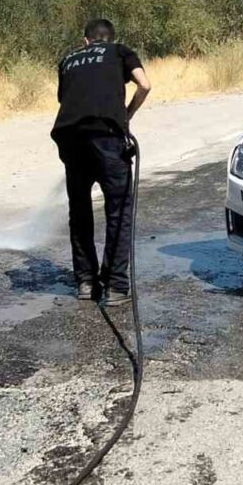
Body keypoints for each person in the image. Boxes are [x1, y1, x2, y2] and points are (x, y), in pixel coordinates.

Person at [51, 18, 152, 305]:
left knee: (80, 211)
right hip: (107, 137)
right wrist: (126, 117)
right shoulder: (120, 51)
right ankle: (116, 287)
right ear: (110, 38)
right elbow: (145, 85)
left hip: (71, 138)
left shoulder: (67, 59)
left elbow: (68, 99)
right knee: (118, 211)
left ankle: (86, 283)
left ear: (85, 41)